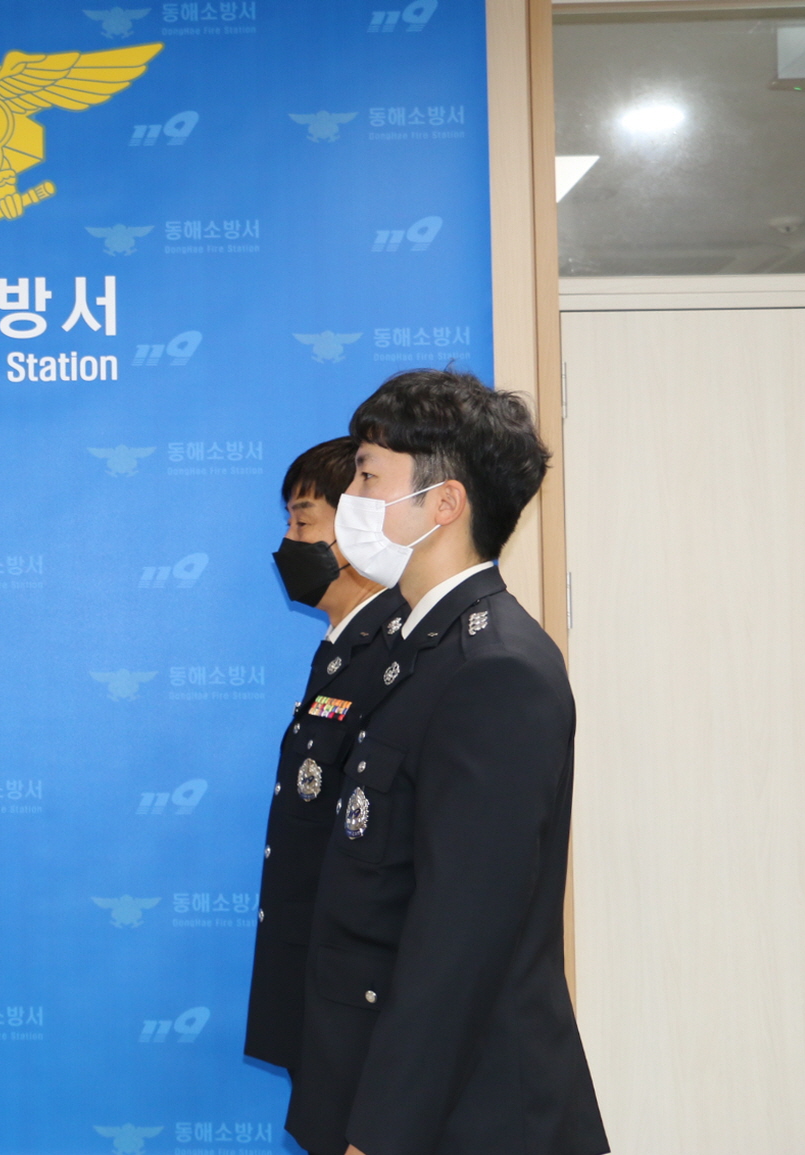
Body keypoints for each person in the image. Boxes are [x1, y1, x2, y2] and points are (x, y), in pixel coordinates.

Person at [285, 370, 606, 1155]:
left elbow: (458, 937)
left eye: (367, 476)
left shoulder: (495, 667)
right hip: (394, 1084)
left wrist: (379, 1135)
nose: (351, 499)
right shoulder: (412, 648)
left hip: (466, 1112)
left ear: (443, 503)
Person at [245, 437, 407, 1073]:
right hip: (321, 985)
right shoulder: (343, 651)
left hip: (359, 1002)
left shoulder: (393, 656)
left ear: (360, 527)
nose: (289, 542)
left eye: (302, 522)